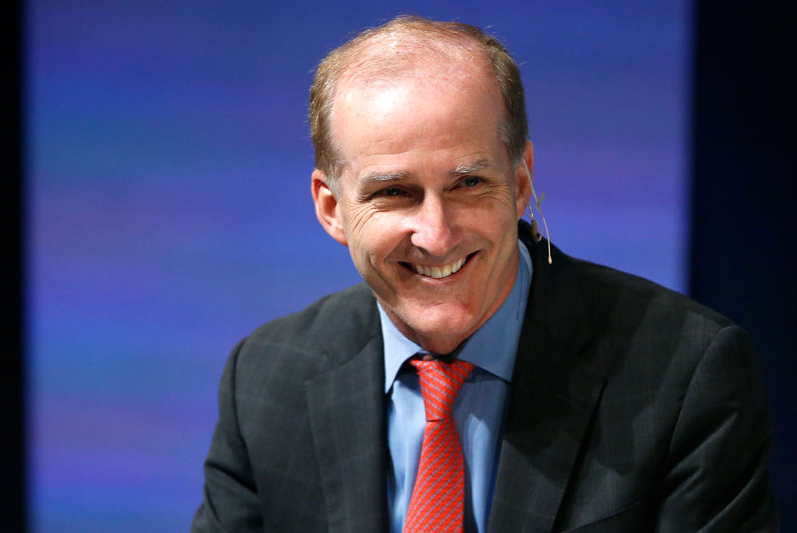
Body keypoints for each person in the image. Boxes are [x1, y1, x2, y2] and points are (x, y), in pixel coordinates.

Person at [192, 15, 777, 532]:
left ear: (521, 182)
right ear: (331, 208)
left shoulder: (685, 371)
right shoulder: (265, 381)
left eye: (468, 184)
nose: (437, 234)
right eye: (395, 193)